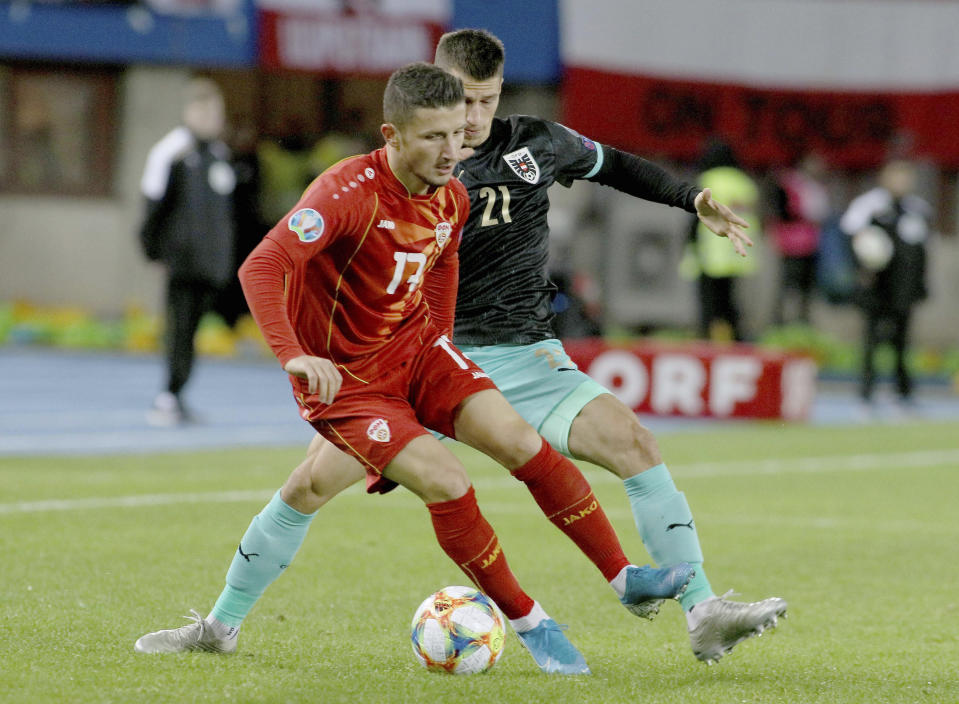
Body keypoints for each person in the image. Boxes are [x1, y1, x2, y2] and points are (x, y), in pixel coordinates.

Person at [133, 62, 693, 675]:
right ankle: (535, 626)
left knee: (514, 441)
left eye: (458, 134)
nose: (454, 150)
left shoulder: (450, 195)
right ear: (391, 136)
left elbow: (443, 261)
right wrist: (295, 354)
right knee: (444, 482)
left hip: (419, 354)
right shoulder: (346, 193)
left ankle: (624, 576)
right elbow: (261, 268)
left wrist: (442, 350)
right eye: (434, 137)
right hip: (349, 383)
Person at [245, 30, 784, 666]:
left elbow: (616, 166)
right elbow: (308, 254)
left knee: (635, 444)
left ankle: (701, 610)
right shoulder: (412, 163)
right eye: (462, 102)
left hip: (529, 355)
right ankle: (221, 623)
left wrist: (691, 199)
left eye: (486, 102)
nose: (471, 121)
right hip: (426, 365)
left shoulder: (538, 142)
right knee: (309, 484)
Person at [138, 77, 237, 425]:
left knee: (192, 331)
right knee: (179, 329)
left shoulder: (219, 153)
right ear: (190, 111)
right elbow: (153, 207)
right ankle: (168, 396)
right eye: (206, 111)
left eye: (217, 112)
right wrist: (154, 253)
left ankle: (177, 394)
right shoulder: (171, 152)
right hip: (180, 261)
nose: (213, 118)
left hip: (210, 264)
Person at [839, 159, 931, 412]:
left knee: (902, 342)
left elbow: (921, 252)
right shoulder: (867, 206)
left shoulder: (917, 209)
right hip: (875, 288)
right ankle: (866, 395)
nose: (901, 182)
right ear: (884, 178)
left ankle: (904, 394)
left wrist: (920, 285)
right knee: (871, 341)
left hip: (904, 289)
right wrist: (862, 269)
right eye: (896, 176)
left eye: (906, 177)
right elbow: (850, 237)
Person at [680, 139, 761, 342]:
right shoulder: (745, 182)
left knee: (709, 304)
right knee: (730, 303)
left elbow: (696, 215)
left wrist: (688, 242)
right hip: (738, 251)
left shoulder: (709, 179)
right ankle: (737, 342)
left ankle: (708, 342)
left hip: (712, 251)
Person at [768, 153, 831, 326]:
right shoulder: (792, 185)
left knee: (806, 289)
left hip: (810, 243)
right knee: (788, 287)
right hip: (792, 243)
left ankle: (801, 322)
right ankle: (780, 322)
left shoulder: (814, 186)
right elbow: (790, 211)